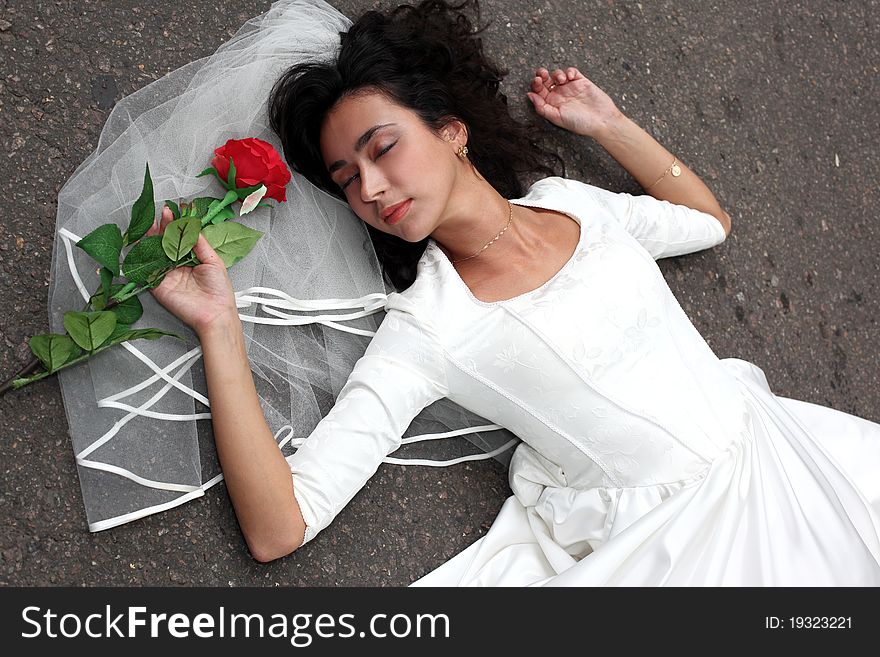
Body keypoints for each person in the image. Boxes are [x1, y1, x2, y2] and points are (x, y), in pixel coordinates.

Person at [136, 0, 877, 584]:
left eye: (382, 148)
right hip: (680, 542)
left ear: (452, 131)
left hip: (784, 449)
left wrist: (609, 124)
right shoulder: (431, 325)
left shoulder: (571, 201)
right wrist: (219, 326)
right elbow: (280, 526)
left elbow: (706, 222)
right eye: (347, 180)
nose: (372, 188)